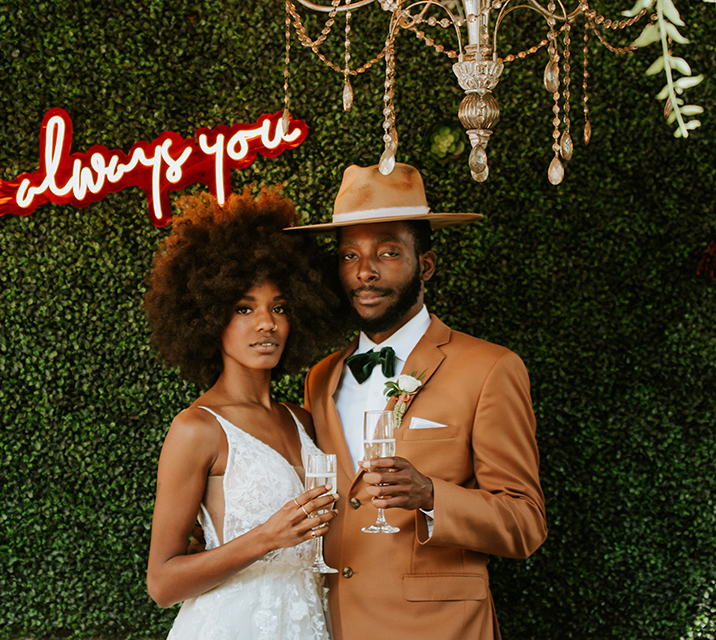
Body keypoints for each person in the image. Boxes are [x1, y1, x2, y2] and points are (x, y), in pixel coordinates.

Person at [287, 163, 547, 640]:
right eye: (349, 256)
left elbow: (524, 522)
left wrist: (430, 495)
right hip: (333, 625)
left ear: (425, 264)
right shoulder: (321, 377)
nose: (365, 272)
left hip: (440, 629)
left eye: (387, 252)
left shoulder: (491, 368)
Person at [144, 188, 344, 639]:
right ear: (210, 318)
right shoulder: (197, 429)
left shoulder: (304, 419)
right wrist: (267, 537)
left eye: (280, 308)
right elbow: (162, 583)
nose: (266, 323)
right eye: (244, 308)